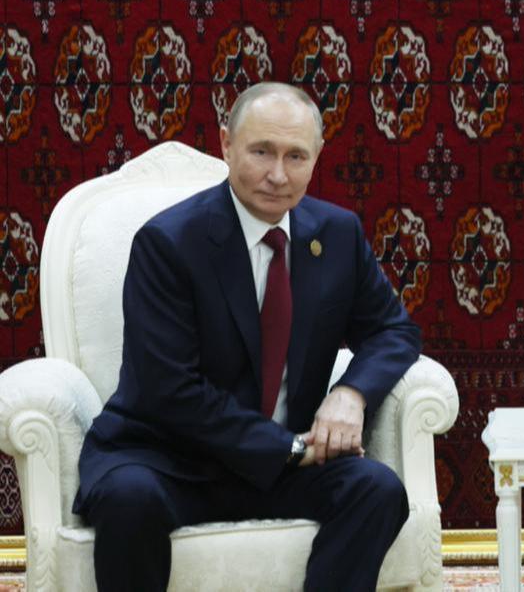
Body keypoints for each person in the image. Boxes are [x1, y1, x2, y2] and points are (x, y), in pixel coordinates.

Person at [74, 82, 423, 592]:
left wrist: (350, 394)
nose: (277, 174)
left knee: (377, 489)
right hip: (169, 458)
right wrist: (288, 448)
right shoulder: (168, 243)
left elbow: (394, 330)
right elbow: (169, 391)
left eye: (295, 156)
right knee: (129, 499)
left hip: (287, 461)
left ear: (316, 157)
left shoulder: (338, 234)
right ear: (226, 145)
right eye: (261, 151)